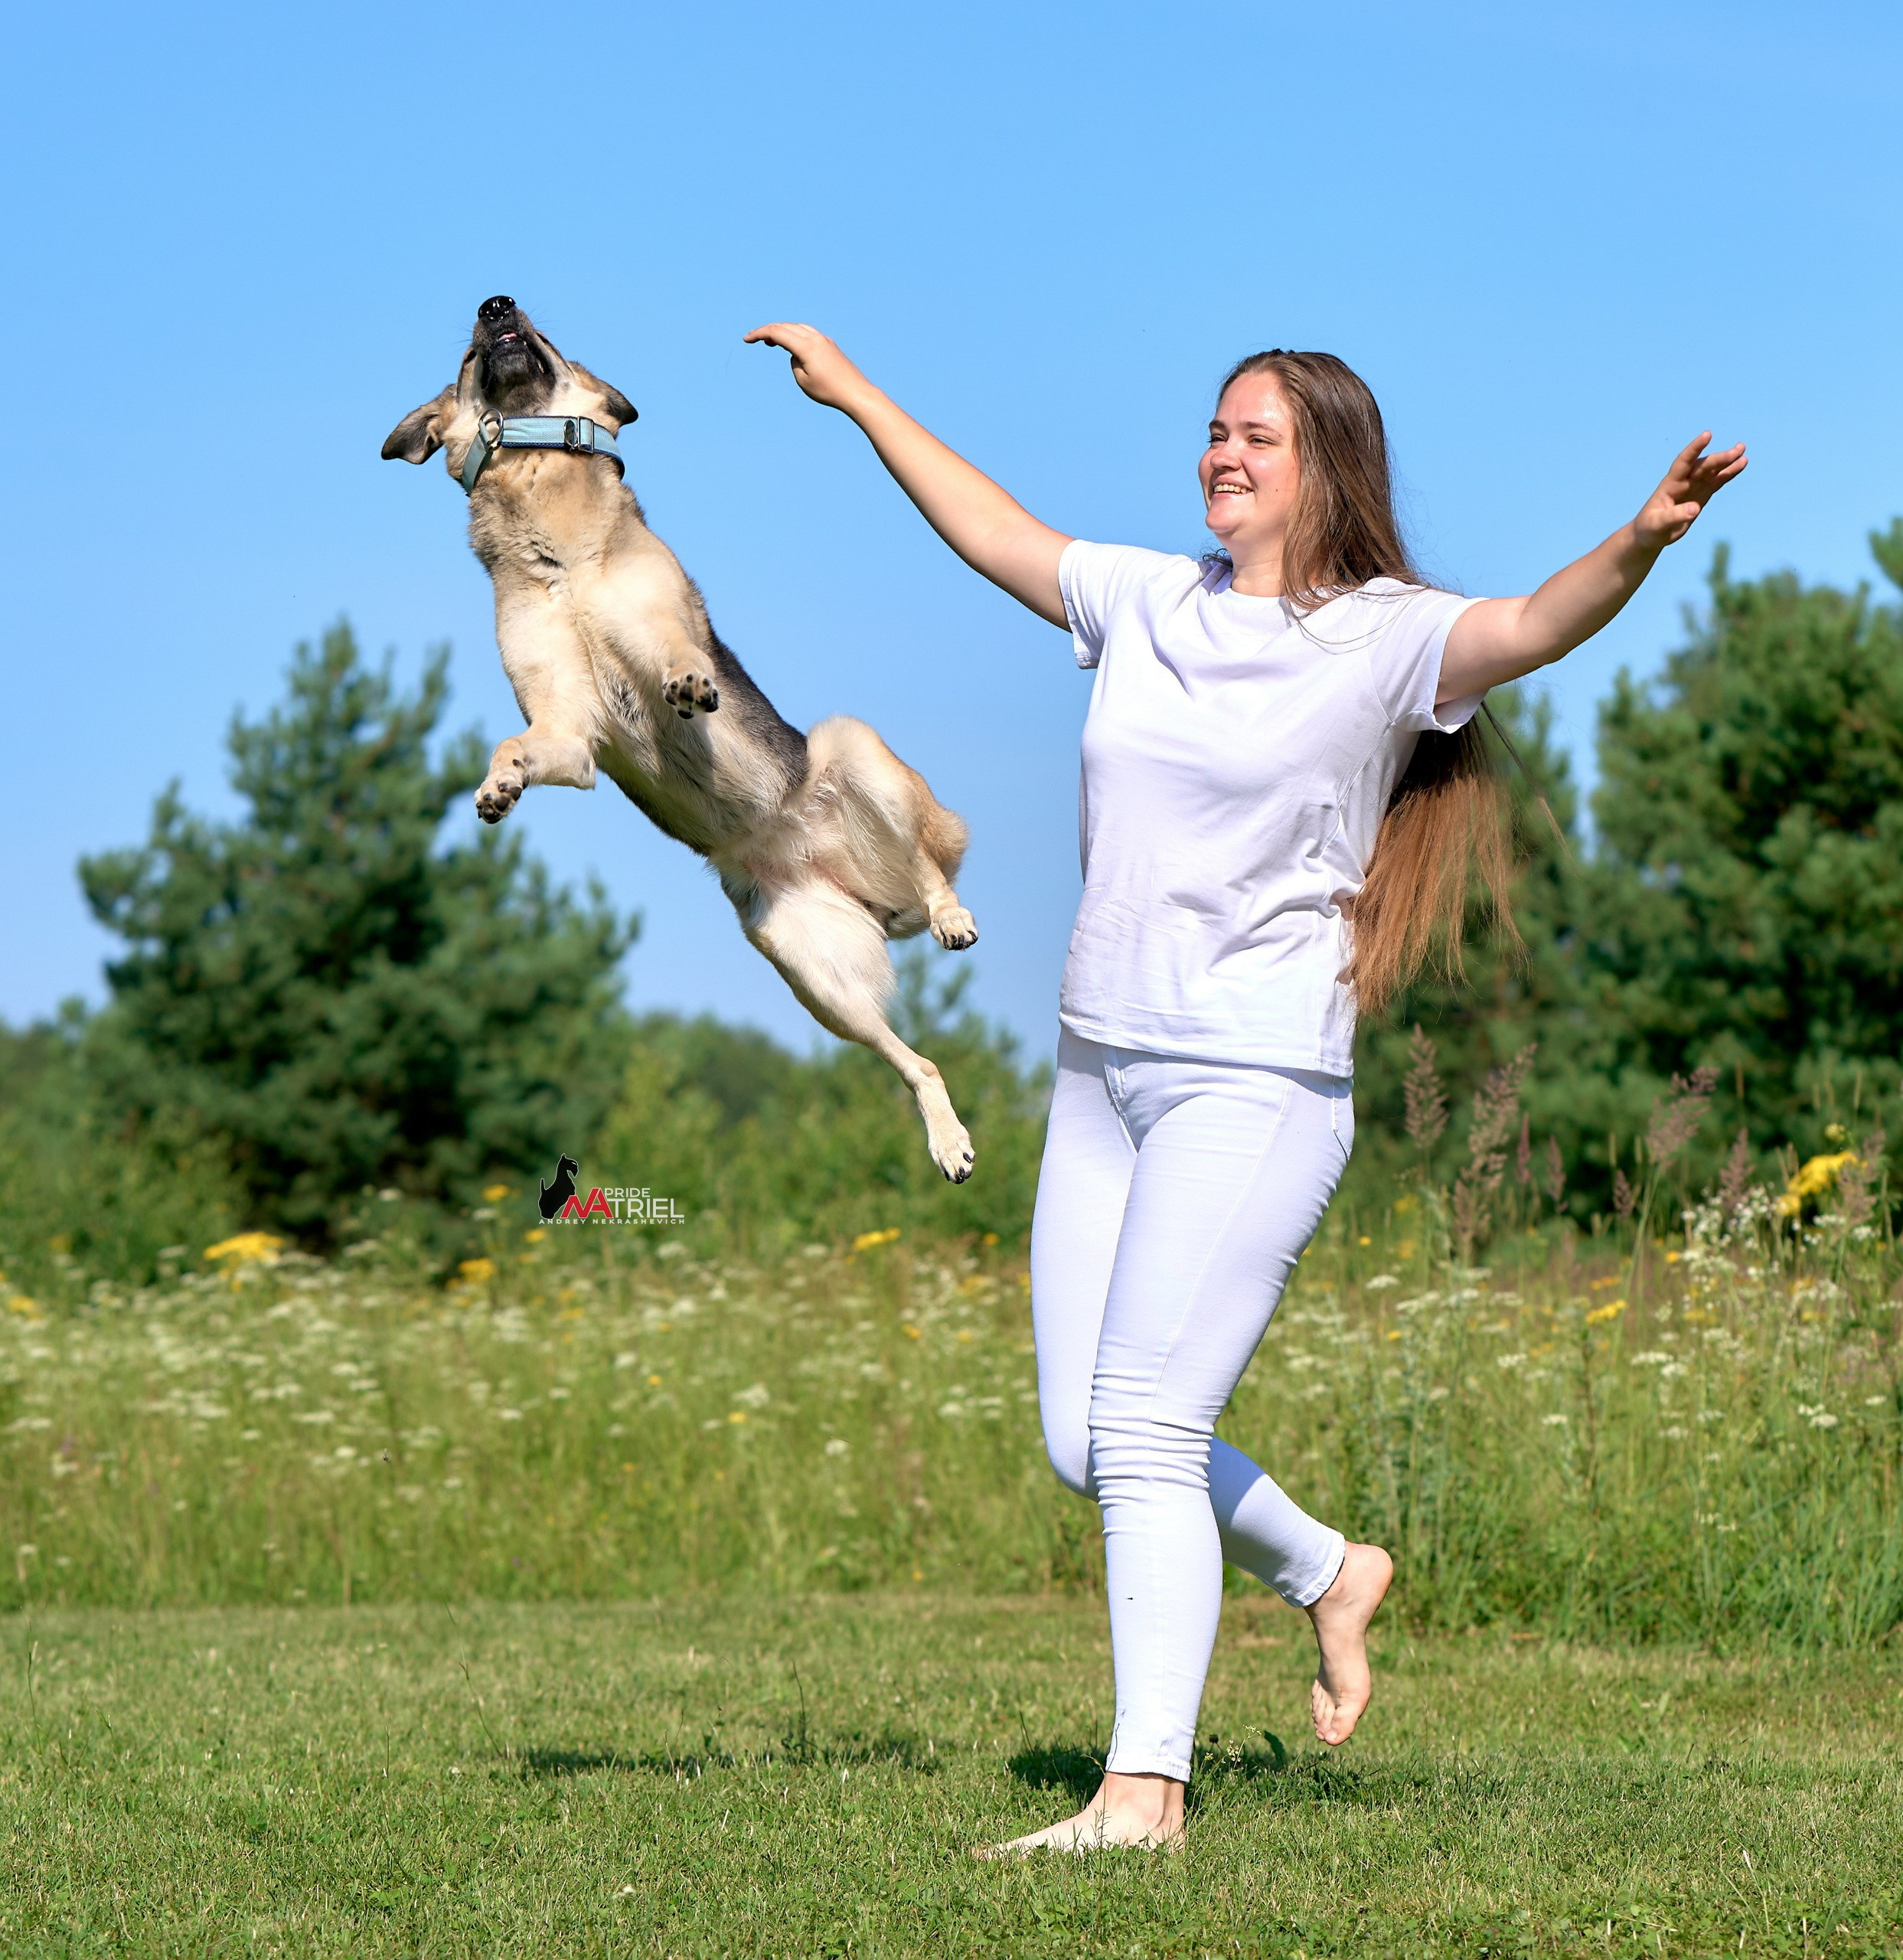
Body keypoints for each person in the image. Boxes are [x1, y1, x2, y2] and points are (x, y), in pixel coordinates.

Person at [746, 323, 1746, 1854]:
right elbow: (993, 528)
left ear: (1323, 467)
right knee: (1085, 1441)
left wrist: (1641, 536)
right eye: (1213, 429)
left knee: (1145, 1422)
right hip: (1103, 1062)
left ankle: (1144, 1793)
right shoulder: (1148, 602)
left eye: (1253, 436)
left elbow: (1536, 622)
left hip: (1253, 1073)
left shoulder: (1389, 637)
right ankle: (1332, 1568)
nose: (1218, 452)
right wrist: (861, 396)